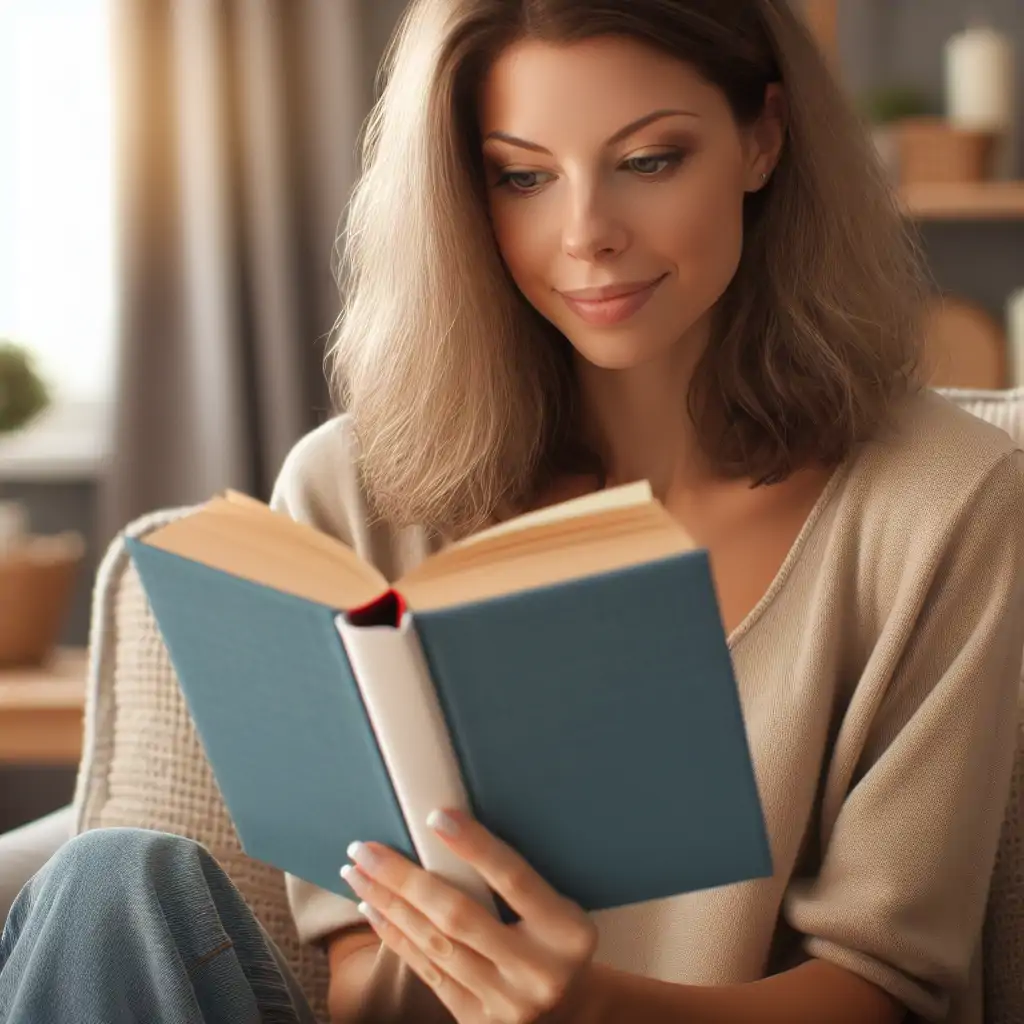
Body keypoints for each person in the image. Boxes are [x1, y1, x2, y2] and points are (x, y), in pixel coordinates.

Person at [2, 0, 1022, 1022]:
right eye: (522, 176)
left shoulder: (944, 501)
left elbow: (888, 989)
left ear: (762, 138)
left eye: (650, 160)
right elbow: (358, 978)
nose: (586, 235)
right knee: (112, 885)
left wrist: (593, 1006)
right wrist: (448, 935)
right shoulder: (356, 487)